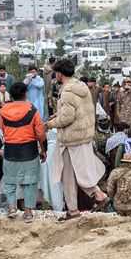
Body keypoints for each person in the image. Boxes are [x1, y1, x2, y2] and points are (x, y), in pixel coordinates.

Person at [45, 58, 109, 216]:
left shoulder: (66, 91)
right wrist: (59, 115)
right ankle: (92, 197)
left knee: (68, 175)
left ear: (59, 74)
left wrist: (49, 124)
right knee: (81, 171)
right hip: (84, 136)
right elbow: (78, 111)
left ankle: (77, 207)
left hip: (70, 139)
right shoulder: (81, 86)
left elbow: (67, 118)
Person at [0, 82, 46, 220]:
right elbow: (40, 134)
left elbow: (2, 130)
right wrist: (44, 150)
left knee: (10, 181)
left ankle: (12, 207)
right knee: (30, 182)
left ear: (11, 95)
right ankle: (28, 212)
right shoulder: (33, 110)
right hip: (29, 151)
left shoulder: (3, 112)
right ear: (26, 94)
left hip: (10, 151)